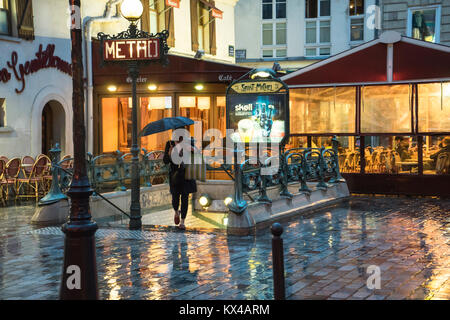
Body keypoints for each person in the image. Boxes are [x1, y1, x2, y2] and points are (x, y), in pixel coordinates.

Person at [163, 135, 197, 230]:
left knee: (185, 198)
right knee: (175, 197)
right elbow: (165, 161)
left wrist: (192, 150)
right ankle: (176, 212)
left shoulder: (189, 143)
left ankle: (182, 222)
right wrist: (169, 154)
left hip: (186, 174)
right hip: (175, 175)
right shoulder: (170, 144)